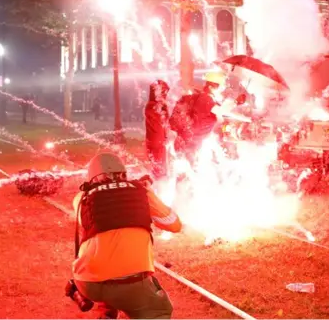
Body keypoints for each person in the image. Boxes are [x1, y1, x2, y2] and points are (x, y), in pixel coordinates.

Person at [72, 152, 182, 319]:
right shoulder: (141, 192)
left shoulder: (81, 198)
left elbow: (100, 219)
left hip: (87, 282)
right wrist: (147, 192)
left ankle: (107, 312)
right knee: (159, 309)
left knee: (107, 267)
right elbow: (174, 224)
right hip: (130, 283)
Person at [170, 70, 250, 164]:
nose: (223, 89)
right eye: (222, 86)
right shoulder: (206, 99)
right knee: (186, 166)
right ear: (213, 86)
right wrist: (236, 102)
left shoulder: (209, 99)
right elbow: (221, 111)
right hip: (190, 142)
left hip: (194, 141)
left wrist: (246, 119)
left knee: (189, 165)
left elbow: (224, 112)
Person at [145, 80, 171, 179]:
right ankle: (160, 187)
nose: (165, 95)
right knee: (159, 170)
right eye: (163, 92)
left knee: (161, 168)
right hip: (156, 142)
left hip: (159, 141)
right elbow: (161, 119)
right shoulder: (152, 106)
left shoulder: (156, 105)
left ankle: (160, 183)